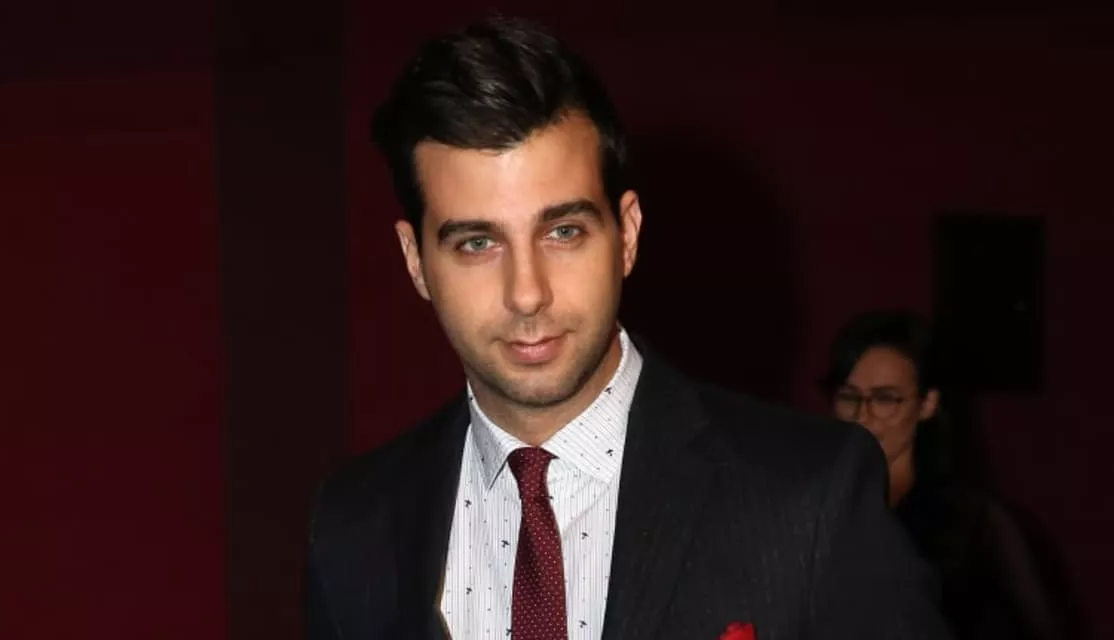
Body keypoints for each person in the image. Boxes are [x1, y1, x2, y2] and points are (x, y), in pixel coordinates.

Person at [305, 15, 951, 640]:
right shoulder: (354, 526)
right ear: (416, 261)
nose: (527, 292)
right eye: (477, 243)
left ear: (628, 235)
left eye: (563, 232)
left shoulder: (811, 497)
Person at [820, 310, 1084, 640]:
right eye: (849, 397)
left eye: (885, 399)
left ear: (927, 403)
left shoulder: (975, 522)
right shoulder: (820, 509)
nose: (863, 415)